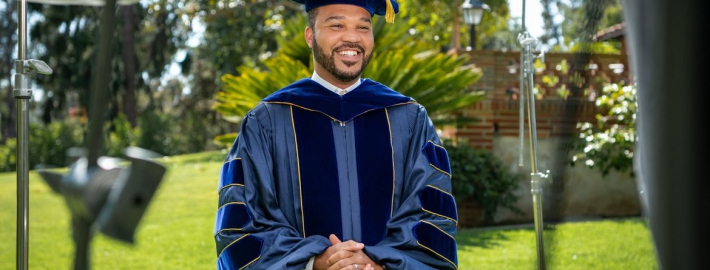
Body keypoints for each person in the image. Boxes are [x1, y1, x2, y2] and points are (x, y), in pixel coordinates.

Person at [213, 0, 458, 269]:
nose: (352, 37)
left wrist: (379, 262)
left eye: (363, 27)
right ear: (310, 36)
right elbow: (242, 222)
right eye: (336, 25)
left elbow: (432, 215)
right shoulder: (267, 120)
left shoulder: (409, 118)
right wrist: (313, 261)